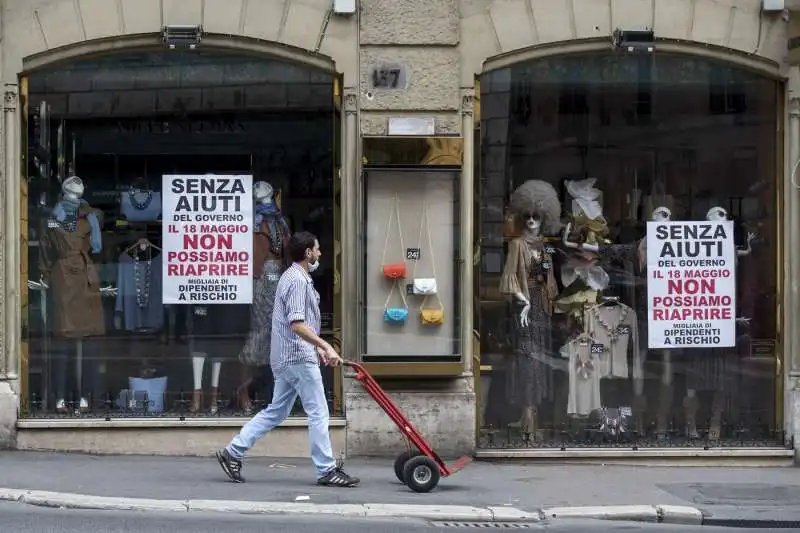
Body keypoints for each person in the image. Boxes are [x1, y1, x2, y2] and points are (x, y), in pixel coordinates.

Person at [216, 231, 359, 487]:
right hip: (296, 358)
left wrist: (319, 349)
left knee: (277, 411)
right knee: (318, 411)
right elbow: (296, 323)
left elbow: (298, 325)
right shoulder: (296, 280)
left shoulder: (294, 277)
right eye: (317, 249)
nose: (320, 253)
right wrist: (325, 345)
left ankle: (233, 451)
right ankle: (326, 469)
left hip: (289, 356)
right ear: (307, 253)